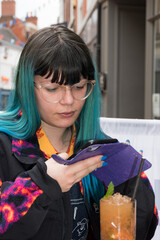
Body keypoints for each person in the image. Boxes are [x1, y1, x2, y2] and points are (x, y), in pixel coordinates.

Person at [0, 25, 158, 240]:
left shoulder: (102, 150)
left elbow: (146, 226)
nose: (68, 101)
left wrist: (129, 180)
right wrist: (41, 184)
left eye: (79, 86)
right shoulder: (4, 147)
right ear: (27, 85)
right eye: (52, 88)